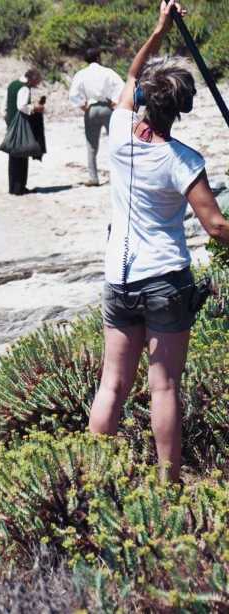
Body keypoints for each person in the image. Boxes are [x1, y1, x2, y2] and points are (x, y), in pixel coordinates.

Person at [88, 0, 229, 483]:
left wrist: (160, 28)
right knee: (164, 386)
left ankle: (90, 475)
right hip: (166, 279)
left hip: (118, 278)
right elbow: (216, 226)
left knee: (113, 384)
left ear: (147, 99)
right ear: (182, 108)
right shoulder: (183, 160)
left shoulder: (120, 132)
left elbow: (131, 75)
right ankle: (169, 485)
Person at [70, 48, 126, 186]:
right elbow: (121, 86)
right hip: (107, 108)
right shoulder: (108, 72)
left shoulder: (81, 74)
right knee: (114, 143)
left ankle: (93, 177)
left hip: (91, 108)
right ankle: (116, 177)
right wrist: (115, 102)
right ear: (98, 58)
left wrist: (84, 106)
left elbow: (73, 94)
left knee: (91, 146)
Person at [5, 67, 47, 195]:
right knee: (22, 156)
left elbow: (4, 106)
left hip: (10, 124)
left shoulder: (12, 85)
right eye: (36, 82)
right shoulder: (24, 88)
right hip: (21, 125)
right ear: (31, 80)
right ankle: (19, 188)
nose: (36, 85)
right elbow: (22, 107)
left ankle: (13, 187)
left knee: (13, 156)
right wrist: (36, 107)